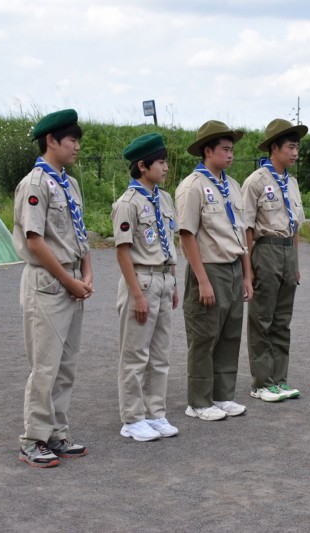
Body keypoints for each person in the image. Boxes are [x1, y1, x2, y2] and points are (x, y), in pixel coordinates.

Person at [13, 109, 93, 468]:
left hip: (72, 278)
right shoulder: (35, 184)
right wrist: (68, 279)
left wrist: (87, 273)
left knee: (66, 364)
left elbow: (80, 232)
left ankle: (57, 433)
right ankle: (33, 439)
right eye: (72, 140)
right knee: (45, 365)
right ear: (51, 141)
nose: (77, 147)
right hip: (48, 283)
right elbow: (35, 240)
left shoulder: (69, 183)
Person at [175, 120, 253, 421]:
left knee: (230, 335)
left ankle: (222, 395)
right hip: (209, 268)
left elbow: (240, 232)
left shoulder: (232, 185)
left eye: (232, 149)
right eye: (225, 149)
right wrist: (202, 280)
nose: (230, 154)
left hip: (233, 267)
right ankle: (198, 401)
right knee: (204, 336)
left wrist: (247, 275)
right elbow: (187, 234)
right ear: (207, 151)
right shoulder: (192, 186)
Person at [112, 133, 180, 442]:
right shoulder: (128, 204)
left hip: (164, 279)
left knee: (160, 354)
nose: (165, 167)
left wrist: (174, 281)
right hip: (141, 281)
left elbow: (170, 242)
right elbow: (123, 252)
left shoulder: (164, 199)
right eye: (160, 162)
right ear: (142, 166)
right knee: (135, 355)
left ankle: (156, 413)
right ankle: (132, 418)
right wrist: (136, 295)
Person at [241, 119, 307, 402]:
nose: (295, 153)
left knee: (282, 320)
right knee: (262, 319)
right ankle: (261, 383)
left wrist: (296, 264)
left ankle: (279, 379)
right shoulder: (256, 182)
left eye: (297, 147)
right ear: (274, 148)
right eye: (290, 147)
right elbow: (246, 228)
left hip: (287, 251)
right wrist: (247, 271)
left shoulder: (292, 183)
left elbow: (295, 226)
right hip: (266, 250)